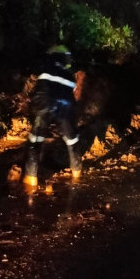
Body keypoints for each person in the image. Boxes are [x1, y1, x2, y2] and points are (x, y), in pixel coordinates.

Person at [23, 45, 81, 188]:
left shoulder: (45, 67)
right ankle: (77, 173)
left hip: (45, 104)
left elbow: (36, 89)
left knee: (35, 141)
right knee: (72, 140)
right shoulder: (69, 74)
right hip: (65, 107)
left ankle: (31, 178)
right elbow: (72, 95)